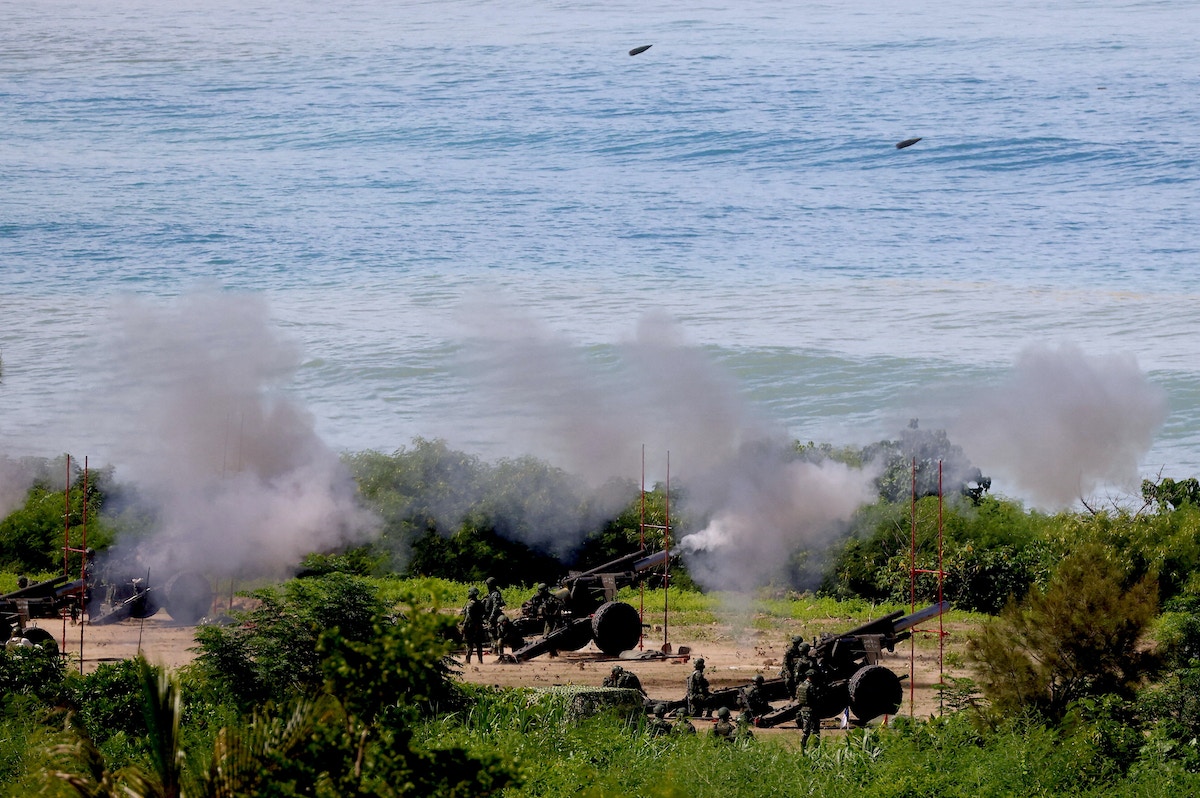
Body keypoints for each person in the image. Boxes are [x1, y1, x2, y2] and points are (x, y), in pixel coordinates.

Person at [796, 669, 822, 751]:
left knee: (805, 731)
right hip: (812, 710)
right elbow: (816, 698)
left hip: (803, 710)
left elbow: (798, 698)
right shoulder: (812, 687)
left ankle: (803, 746)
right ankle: (816, 748)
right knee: (815, 731)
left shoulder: (801, 686)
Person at [461, 586, 486, 664]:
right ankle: (480, 660)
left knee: (469, 644)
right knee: (479, 644)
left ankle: (468, 660)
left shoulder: (470, 605)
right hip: (478, 626)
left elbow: (468, 617)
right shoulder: (480, 604)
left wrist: (464, 626)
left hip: (470, 627)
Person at [483, 577, 506, 652]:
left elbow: (496, 607)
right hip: (490, 616)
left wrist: (491, 618)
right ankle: (494, 648)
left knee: (496, 633)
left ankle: (497, 650)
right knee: (490, 632)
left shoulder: (495, 594)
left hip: (495, 617)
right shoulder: (491, 594)